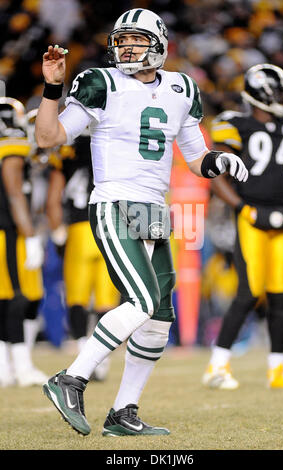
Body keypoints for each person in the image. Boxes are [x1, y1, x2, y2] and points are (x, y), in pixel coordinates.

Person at [35, 8, 247, 436]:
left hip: (154, 207)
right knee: (142, 300)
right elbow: (49, 138)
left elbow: (194, 156)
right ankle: (70, 378)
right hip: (114, 201)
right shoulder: (102, 82)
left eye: (136, 39)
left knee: (160, 316)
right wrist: (52, 87)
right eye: (122, 40)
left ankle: (123, 412)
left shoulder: (182, 87)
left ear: (160, 44)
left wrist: (219, 158)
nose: (127, 47)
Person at [202, 63, 283, 390]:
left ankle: (277, 370)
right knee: (248, 292)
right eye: (279, 90)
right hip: (251, 217)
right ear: (263, 92)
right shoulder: (236, 124)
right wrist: (242, 207)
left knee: (282, 293)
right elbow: (217, 176)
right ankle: (217, 366)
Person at [46, 129, 120, 380]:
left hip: (79, 229)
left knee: (77, 296)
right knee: (106, 299)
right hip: (109, 228)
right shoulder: (114, 144)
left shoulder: (67, 152)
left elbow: (54, 198)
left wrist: (57, 230)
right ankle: (101, 359)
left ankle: (81, 351)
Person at [0, 97, 48, 387]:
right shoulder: (12, 142)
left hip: (6, 229)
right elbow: (16, 193)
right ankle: (22, 366)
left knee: (7, 299)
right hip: (9, 230)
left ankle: (7, 367)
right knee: (18, 297)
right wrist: (30, 236)